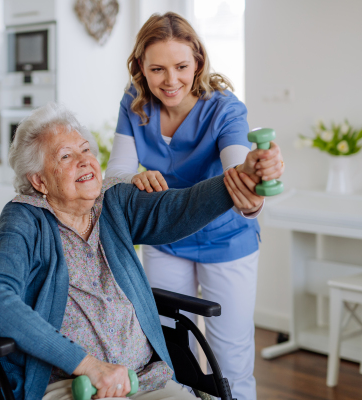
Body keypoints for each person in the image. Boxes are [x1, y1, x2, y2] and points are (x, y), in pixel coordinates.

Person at [0, 102, 264, 400]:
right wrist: (87, 365)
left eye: (86, 150)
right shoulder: (25, 218)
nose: (85, 161)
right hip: (72, 386)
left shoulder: (113, 201)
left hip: (147, 381)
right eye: (66, 156)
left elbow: (180, 208)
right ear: (39, 181)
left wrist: (240, 177)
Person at [105, 13, 285, 400]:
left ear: (198, 63)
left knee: (230, 360)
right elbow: (116, 175)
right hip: (166, 240)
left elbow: (237, 170)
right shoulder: (134, 104)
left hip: (227, 242)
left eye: (182, 66)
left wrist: (253, 177)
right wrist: (133, 179)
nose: (170, 81)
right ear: (141, 68)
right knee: (173, 355)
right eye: (157, 69)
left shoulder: (225, 109)